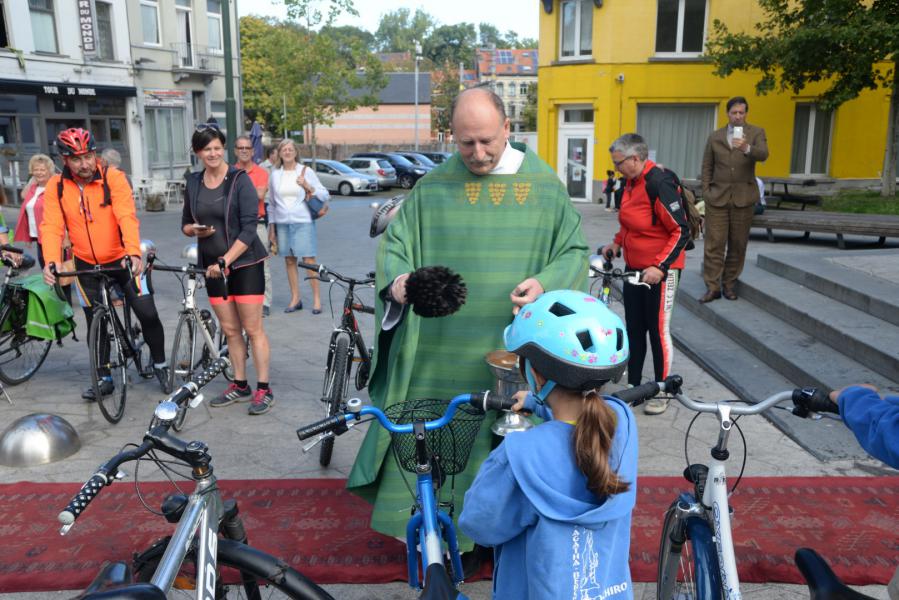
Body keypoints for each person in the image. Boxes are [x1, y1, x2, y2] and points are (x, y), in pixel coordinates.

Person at [347, 86, 589, 550]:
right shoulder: (433, 186)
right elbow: (396, 246)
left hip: (515, 350)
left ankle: (509, 536)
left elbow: (574, 250)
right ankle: (445, 538)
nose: (477, 154)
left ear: (507, 128)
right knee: (442, 438)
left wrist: (546, 282)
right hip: (439, 353)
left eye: (486, 141)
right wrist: (400, 283)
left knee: (512, 435)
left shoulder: (543, 187)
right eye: (465, 143)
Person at [459, 290, 637, 600]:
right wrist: (539, 404)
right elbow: (583, 415)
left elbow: (479, 525)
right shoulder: (620, 425)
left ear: (536, 376)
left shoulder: (519, 455)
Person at [41, 127, 170, 398]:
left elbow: (126, 216)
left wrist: (133, 252)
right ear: (64, 160)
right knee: (94, 322)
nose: (84, 164)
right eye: (76, 159)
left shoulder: (114, 178)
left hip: (122, 260)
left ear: (95, 154)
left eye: (88, 156)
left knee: (146, 312)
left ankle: (160, 364)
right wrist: (51, 261)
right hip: (85, 263)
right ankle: (104, 378)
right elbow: (52, 225)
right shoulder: (56, 185)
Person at [181, 124, 274, 416]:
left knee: (252, 329)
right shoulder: (193, 182)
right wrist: (192, 229)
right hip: (211, 268)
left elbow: (249, 230)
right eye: (206, 148)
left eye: (217, 147)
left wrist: (225, 261)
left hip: (244, 264)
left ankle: (263, 387)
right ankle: (240, 383)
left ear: (224, 149)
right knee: (231, 330)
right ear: (198, 152)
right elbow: (185, 222)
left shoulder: (239, 180)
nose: (213, 153)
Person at [600, 133, 690, 416]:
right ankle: (635, 387)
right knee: (635, 329)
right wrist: (616, 243)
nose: (616, 169)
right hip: (634, 270)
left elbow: (681, 231)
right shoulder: (630, 182)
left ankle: (663, 390)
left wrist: (660, 267)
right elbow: (630, 223)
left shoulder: (657, 183)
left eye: (619, 164)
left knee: (657, 331)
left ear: (635, 159)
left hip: (661, 272)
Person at [699, 96, 769, 303]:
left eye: (741, 112)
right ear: (727, 113)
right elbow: (707, 166)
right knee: (714, 244)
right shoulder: (715, 136)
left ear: (746, 113)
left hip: (744, 198)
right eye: (734, 112)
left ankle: (729, 284)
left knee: (738, 244)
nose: (738, 116)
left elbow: (764, 154)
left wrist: (747, 148)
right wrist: (706, 191)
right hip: (717, 198)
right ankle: (712, 287)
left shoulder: (756, 132)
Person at [267, 139, 328, 314]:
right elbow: (271, 204)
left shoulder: (305, 171)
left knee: (308, 260)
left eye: (290, 149)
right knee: (289, 260)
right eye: (283, 149)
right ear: (279, 153)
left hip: (303, 222)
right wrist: (272, 228)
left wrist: (308, 186)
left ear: (295, 152)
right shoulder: (275, 175)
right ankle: (296, 298)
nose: (287, 152)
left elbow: (324, 194)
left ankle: (316, 299)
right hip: (282, 223)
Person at [234, 135, 272, 317]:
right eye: (240, 148)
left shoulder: (262, 172)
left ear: (252, 151)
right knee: (234, 264)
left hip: (257, 225)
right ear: (235, 151)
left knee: (261, 266)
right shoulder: (229, 172)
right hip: (234, 226)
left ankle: (264, 302)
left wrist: (239, 195)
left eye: (247, 148)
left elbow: (259, 196)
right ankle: (238, 299)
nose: (243, 150)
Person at [14, 154, 57, 266]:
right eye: (35, 170)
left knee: (56, 270)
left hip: (53, 237)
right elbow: (23, 196)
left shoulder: (55, 187)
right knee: (45, 269)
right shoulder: (33, 188)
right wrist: (33, 179)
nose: (39, 172)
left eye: (42, 170)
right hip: (39, 238)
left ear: (50, 171)